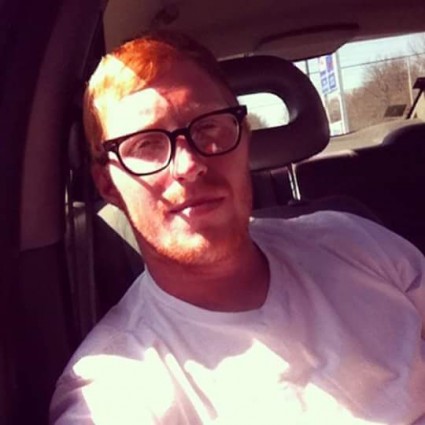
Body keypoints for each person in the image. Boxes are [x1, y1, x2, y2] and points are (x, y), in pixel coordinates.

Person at [50, 31, 425, 424]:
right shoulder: (117, 387)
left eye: (209, 127)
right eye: (145, 145)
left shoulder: (350, 239)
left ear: (244, 139)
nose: (190, 165)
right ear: (108, 184)